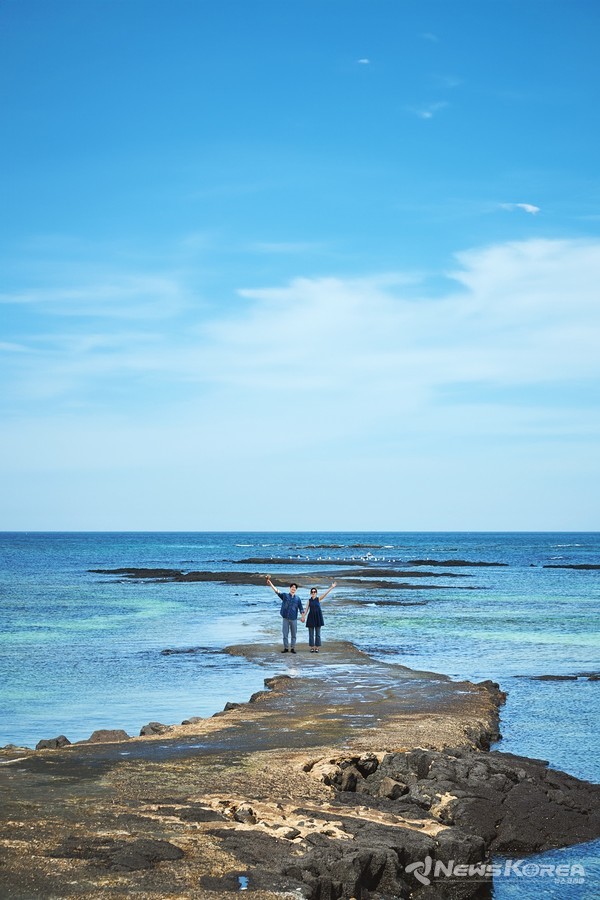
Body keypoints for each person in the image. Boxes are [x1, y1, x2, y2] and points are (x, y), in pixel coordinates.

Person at [265, 576, 304, 653]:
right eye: (292, 587)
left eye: (295, 588)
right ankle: (286, 648)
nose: (293, 589)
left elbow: (301, 608)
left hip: (294, 619)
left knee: (294, 635)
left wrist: (303, 617)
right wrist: (270, 584)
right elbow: (277, 591)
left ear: (296, 590)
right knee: (285, 634)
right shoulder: (285, 596)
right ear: (290, 588)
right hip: (285, 618)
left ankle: (292, 648)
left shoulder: (298, 599)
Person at [301, 582, 336, 652]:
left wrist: (331, 587)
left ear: (316, 593)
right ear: (310, 593)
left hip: (318, 617)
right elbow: (306, 609)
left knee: (318, 634)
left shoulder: (318, 599)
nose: (313, 593)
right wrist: (303, 617)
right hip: (311, 617)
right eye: (312, 592)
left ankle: (316, 647)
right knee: (311, 634)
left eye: (314, 592)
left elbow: (325, 594)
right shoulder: (309, 601)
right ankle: (312, 647)